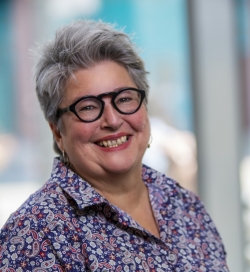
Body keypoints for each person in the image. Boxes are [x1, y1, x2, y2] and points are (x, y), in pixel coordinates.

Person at [0, 20, 229, 271]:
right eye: (88, 106)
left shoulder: (183, 204)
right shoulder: (34, 234)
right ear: (57, 131)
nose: (112, 120)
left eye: (124, 99)